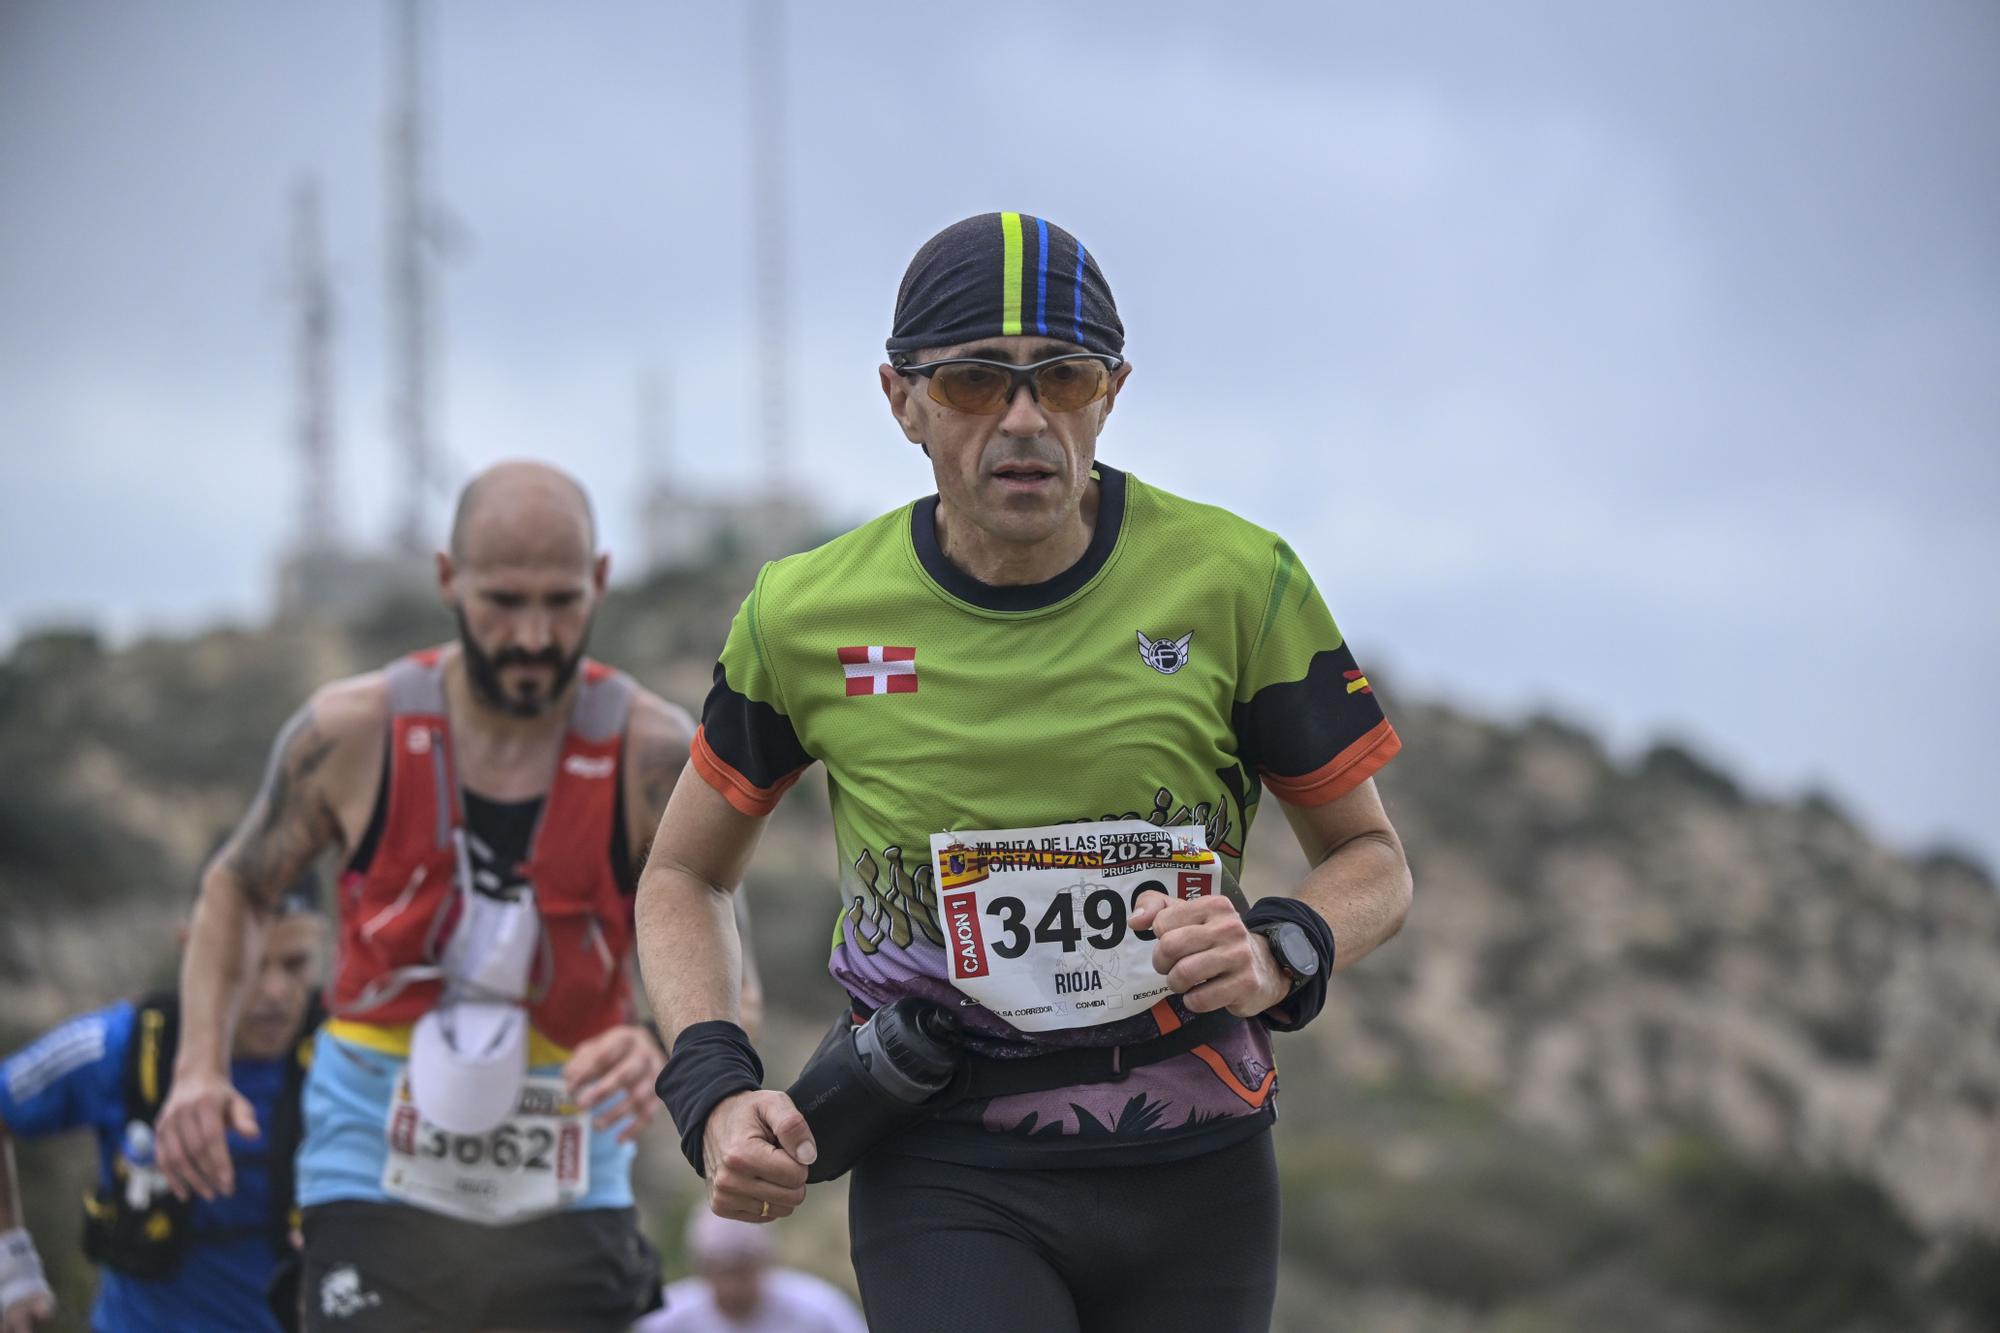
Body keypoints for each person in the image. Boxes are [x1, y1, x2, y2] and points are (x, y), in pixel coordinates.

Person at [638, 212, 1415, 1331]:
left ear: (1112, 391)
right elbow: (682, 876)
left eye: (1061, 377)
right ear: (900, 400)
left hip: (1196, 1157)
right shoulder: (803, 614)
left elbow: (1372, 858)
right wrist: (712, 1086)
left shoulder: (1239, 581)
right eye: (969, 384)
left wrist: (1275, 945)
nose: (1022, 418)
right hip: (945, 1157)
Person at [155, 461, 747, 1333]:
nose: (534, 635)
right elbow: (238, 884)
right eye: (503, 601)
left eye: (561, 601)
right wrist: (197, 1067)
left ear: (600, 580)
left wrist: (664, 1043)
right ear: (447, 580)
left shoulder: (650, 752)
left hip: (566, 1165)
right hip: (372, 1155)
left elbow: (732, 955)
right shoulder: (354, 732)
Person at [0, 876, 324, 1332]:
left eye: (295, 964)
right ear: (194, 947)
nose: (274, 991)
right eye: (247, 963)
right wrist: (10, 1267)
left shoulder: (347, 1065)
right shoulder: (122, 1046)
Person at [633, 1205, 864, 1333]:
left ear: (765, 1263)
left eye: (742, 1270)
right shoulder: (667, 1320)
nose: (732, 1285)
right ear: (699, 1267)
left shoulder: (822, 1311)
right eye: (721, 1271)